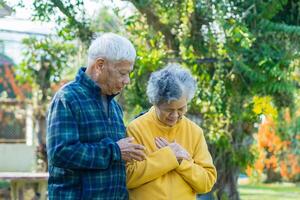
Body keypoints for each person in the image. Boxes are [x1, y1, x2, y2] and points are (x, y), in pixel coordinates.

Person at [46, 33, 146, 200]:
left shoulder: (115, 107)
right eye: (122, 73)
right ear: (100, 65)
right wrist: (114, 151)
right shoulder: (68, 98)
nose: (127, 80)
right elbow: (61, 153)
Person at [126, 63, 217, 200]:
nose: (175, 115)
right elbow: (128, 178)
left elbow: (206, 182)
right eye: (168, 110)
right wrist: (169, 156)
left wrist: (181, 162)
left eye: (181, 109)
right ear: (155, 103)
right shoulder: (136, 128)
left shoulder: (194, 132)